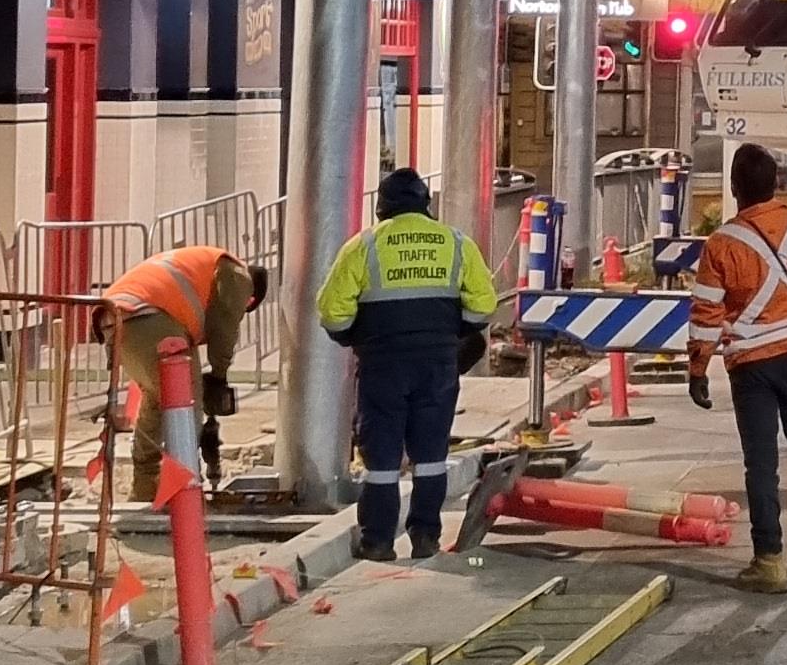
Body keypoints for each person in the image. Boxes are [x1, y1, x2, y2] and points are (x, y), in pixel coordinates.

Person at [313, 166, 499, 560]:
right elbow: (484, 306)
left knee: (381, 460)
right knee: (430, 455)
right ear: (425, 205)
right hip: (437, 365)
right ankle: (425, 537)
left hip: (382, 364)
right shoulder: (456, 242)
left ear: (381, 208)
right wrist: (449, 331)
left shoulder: (363, 246)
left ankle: (378, 541)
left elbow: (332, 313)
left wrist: (356, 336)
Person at [687, 142, 787, 595]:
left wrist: (698, 370)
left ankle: (769, 561)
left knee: (761, 465)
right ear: (776, 184)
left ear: (736, 188)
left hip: (752, 367)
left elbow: (706, 315)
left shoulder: (722, 245)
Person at [97, 244, 268, 502]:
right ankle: (184, 493)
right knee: (186, 403)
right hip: (149, 316)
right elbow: (224, 329)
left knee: (157, 397)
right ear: (251, 299)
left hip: (114, 316)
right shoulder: (238, 275)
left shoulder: (203, 272)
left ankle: (145, 485)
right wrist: (219, 375)